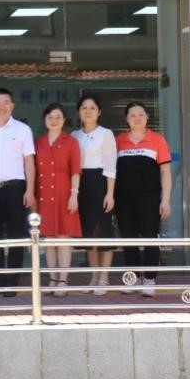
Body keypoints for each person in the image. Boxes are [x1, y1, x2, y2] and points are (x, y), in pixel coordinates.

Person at [0, 88, 36, 296]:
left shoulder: (23, 130)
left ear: (12, 105)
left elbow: (29, 161)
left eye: (5, 102)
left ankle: (12, 281)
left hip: (16, 188)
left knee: (15, 235)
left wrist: (30, 190)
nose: (1, 106)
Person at [114, 102, 172, 297]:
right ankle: (132, 277)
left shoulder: (157, 140)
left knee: (150, 237)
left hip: (150, 198)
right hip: (123, 199)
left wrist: (165, 199)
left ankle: (149, 278)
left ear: (147, 117)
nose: (137, 118)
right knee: (128, 238)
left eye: (141, 114)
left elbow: (165, 172)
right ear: (126, 119)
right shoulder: (118, 141)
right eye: (132, 115)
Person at [35, 103, 82, 297]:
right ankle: (52, 279)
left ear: (64, 120)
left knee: (63, 238)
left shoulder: (71, 142)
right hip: (43, 195)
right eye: (50, 117)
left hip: (64, 194)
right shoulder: (38, 142)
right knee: (49, 239)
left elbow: (76, 170)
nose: (54, 121)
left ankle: (63, 280)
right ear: (44, 119)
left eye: (58, 117)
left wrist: (74, 194)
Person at [71, 95, 117, 295]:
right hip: (80, 185)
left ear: (99, 112)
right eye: (84, 107)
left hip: (100, 183)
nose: (88, 111)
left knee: (103, 231)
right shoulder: (74, 135)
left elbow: (110, 165)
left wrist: (110, 194)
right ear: (78, 112)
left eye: (92, 108)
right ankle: (93, 276)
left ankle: (104, 277)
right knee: (88, 233)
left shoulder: (105, 134)